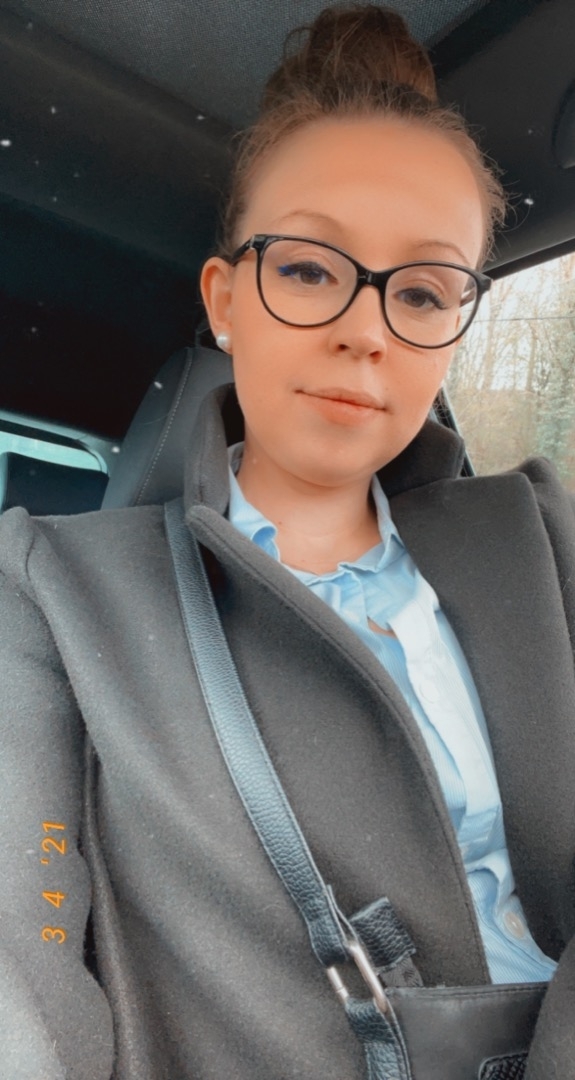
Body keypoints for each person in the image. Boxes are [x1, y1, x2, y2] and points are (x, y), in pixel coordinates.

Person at [0, 6, 573, 1079]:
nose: (365, 329)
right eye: (309, 269)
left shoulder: (539, 538)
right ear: (226, 301)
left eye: (421, 291)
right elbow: (17, 951)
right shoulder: (56, 588)